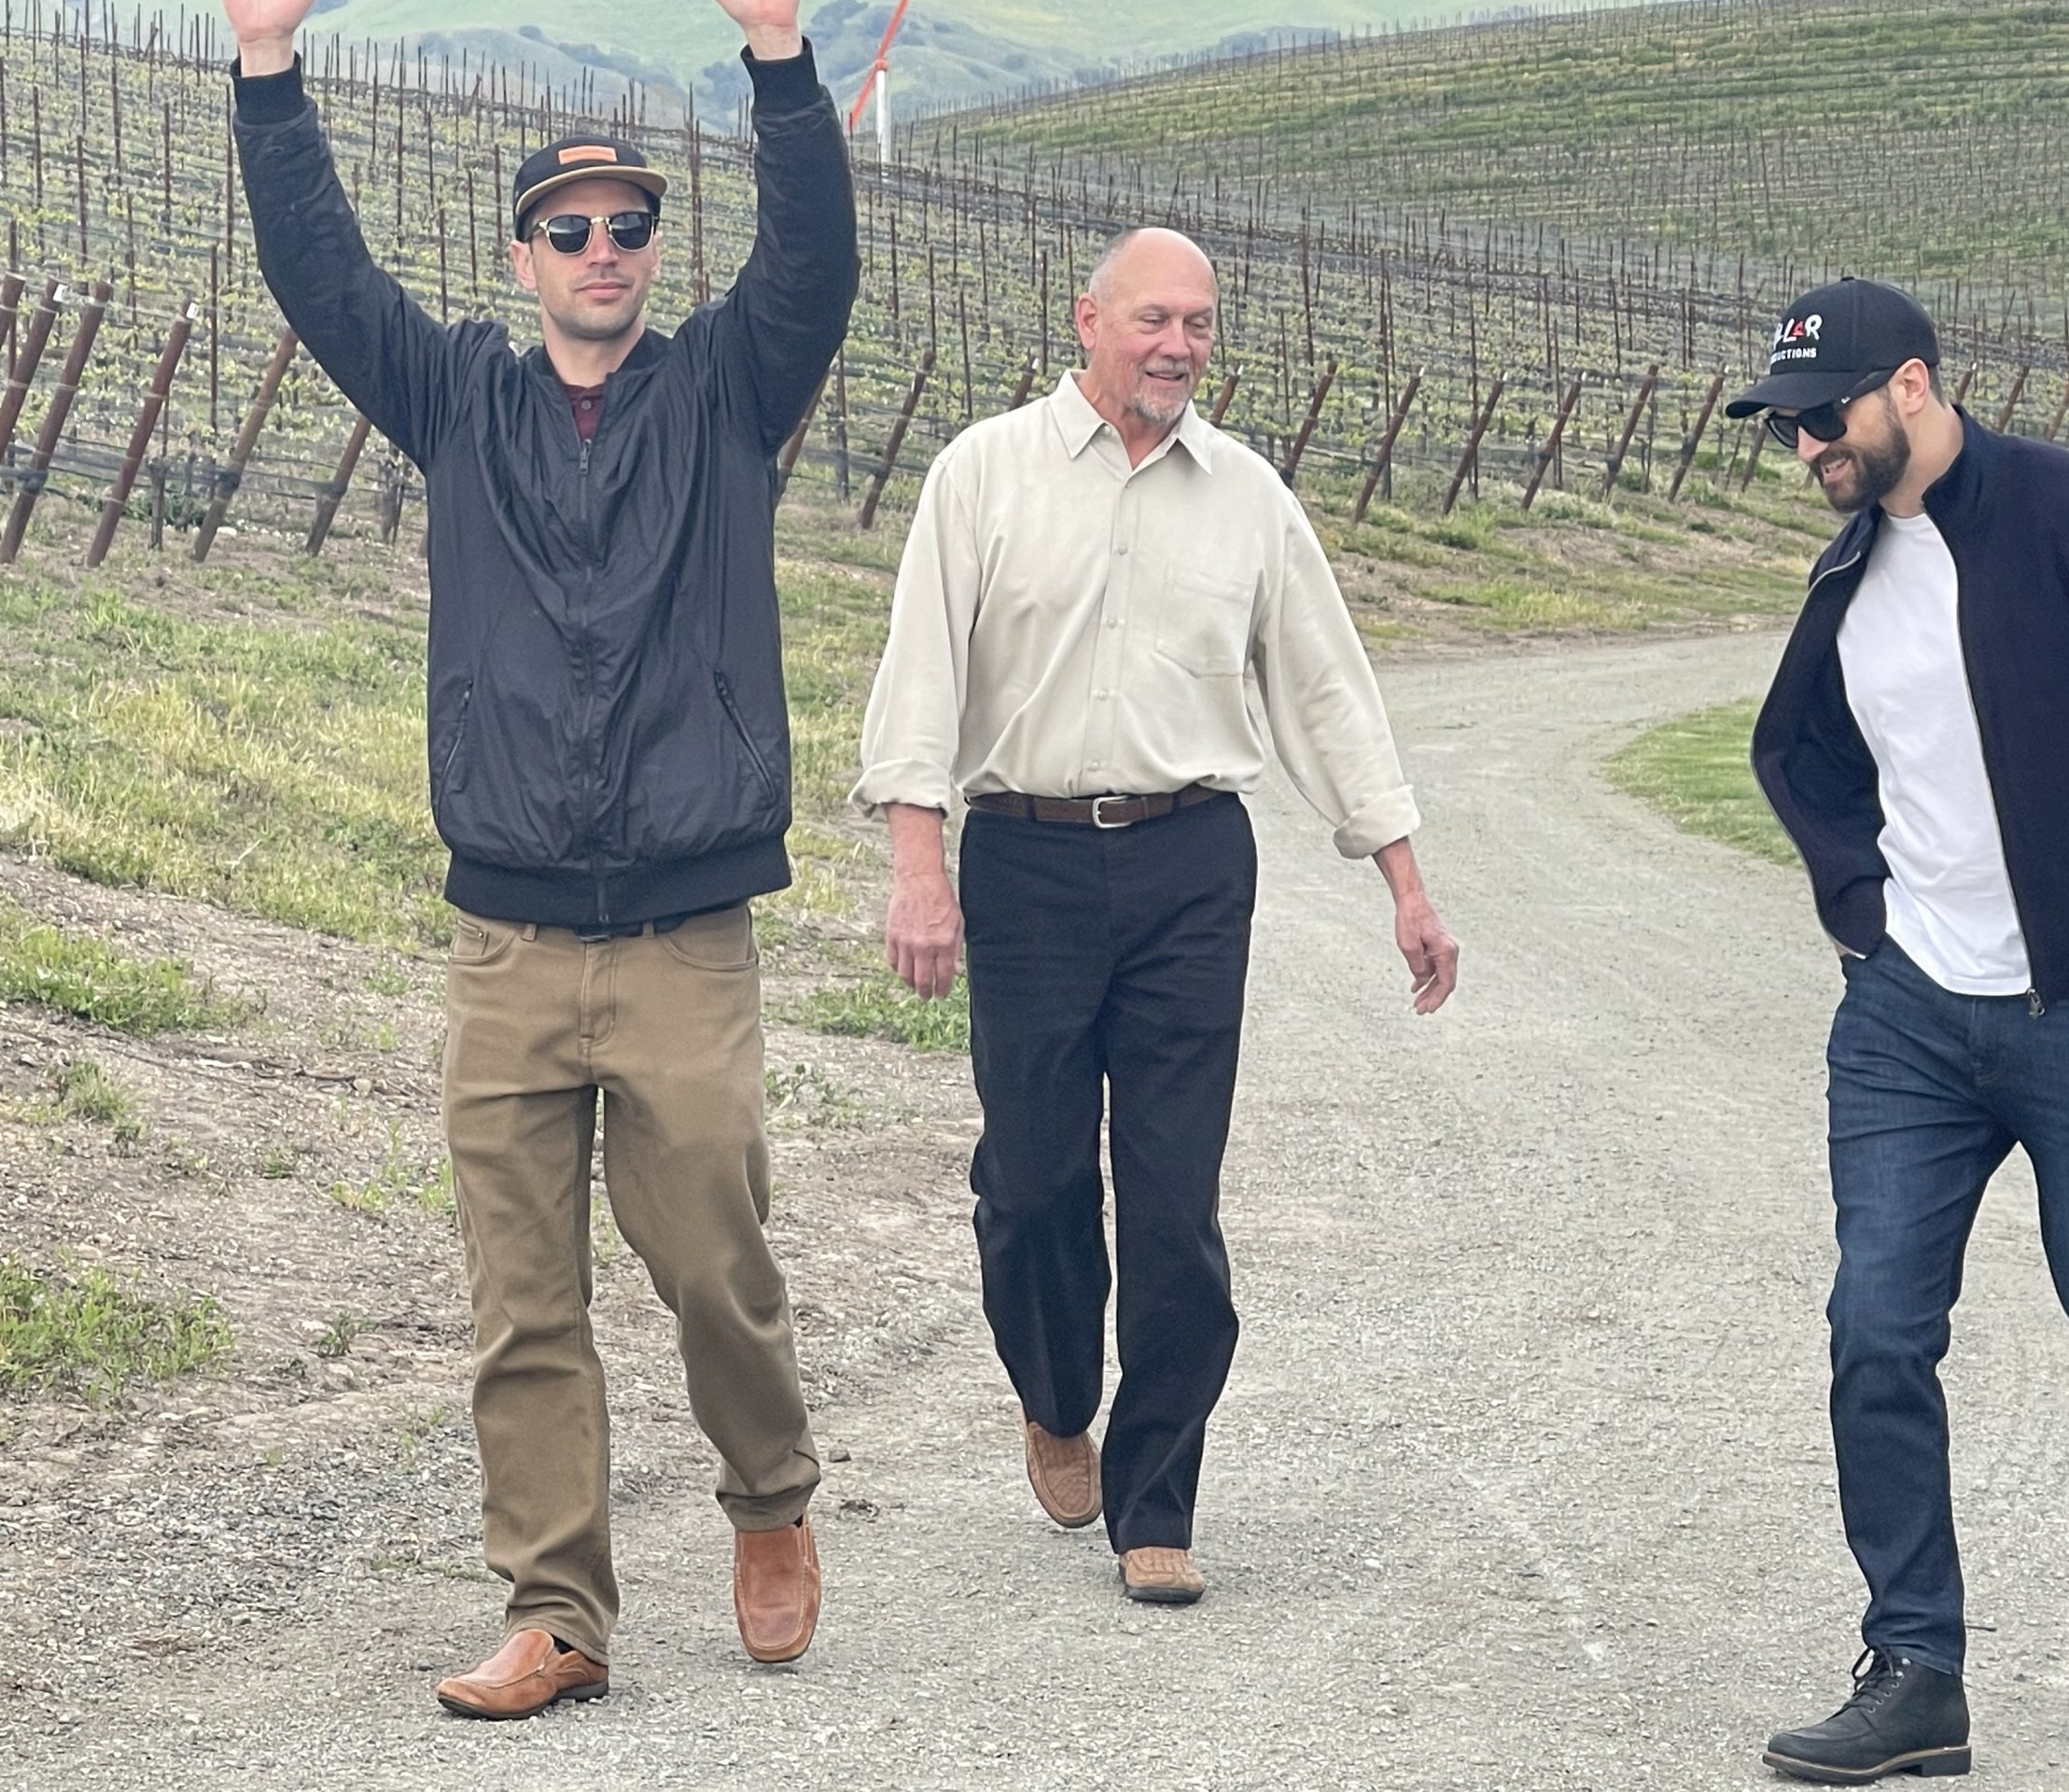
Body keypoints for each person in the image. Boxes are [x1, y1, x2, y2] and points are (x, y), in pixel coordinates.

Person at [224, 0, 859, 1717]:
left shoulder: (726, 389)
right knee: (521, 1299)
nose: (601, 252)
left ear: (655, 250)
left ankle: (770, 1497)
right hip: (505, 941)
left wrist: (780, 56)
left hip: (684, 936)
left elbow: (814, 260)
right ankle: (557, 1609)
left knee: (715, 1263)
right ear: (522, 259)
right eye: (568, 231)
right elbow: (321, 278)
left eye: (628, 226)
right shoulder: (459, 400)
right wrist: (269, 68)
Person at [852, 227, 1459, 1605]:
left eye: (1197, 323)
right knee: (1032, 1184)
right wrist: (917, 868)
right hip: (1026, 860)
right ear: (1089, 321)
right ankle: (1057, 1393)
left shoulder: (1248, 499)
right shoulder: (982, 474)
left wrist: (1405, 882)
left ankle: (1157, 1499)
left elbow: (1327, 694)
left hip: (1191, 864)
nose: (1178, 345)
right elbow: (920, 679)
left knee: (1176, 1201)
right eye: (1153, 320)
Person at [1731, 278, 2069, 1783]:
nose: (1806, 447)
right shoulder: (1851, 566)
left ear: (1913, 385)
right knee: (1875, 1326)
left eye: (1824, 417)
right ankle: (1915, 1669)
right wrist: (1863, 913)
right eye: (1785, 428)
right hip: (1911, 1018)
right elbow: (1800, 752)